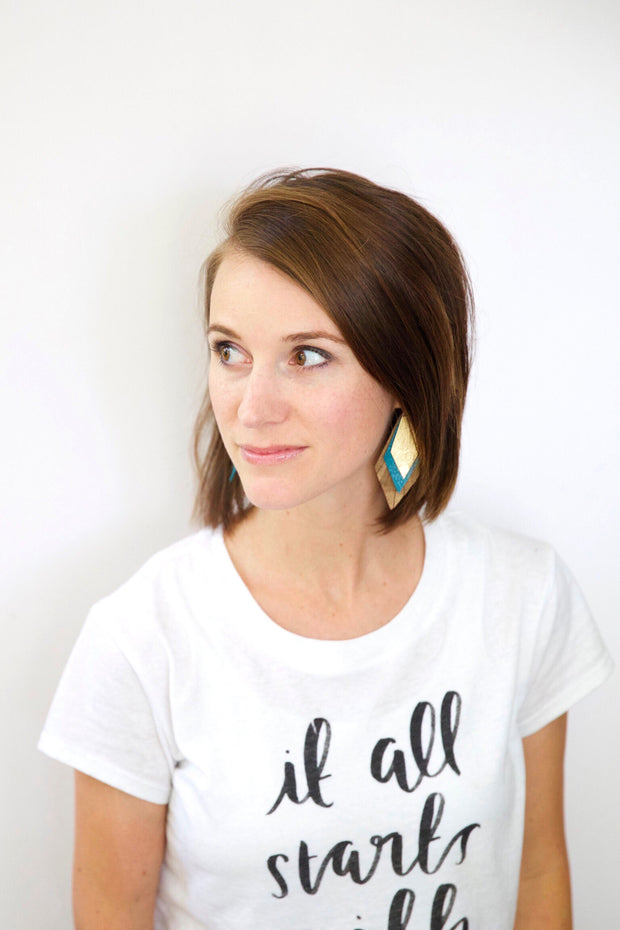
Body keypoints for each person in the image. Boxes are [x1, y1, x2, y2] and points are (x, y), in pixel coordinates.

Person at [39, 168, 612, 930]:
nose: (251, 407)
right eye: (229, 350)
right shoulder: (142, 639)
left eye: (307, 356)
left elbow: (538, 873)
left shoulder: (522, 597)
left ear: (405, 372)